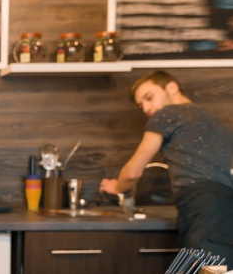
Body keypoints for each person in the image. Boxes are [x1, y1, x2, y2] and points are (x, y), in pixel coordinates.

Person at [99, 70, 233, 264]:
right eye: (141, 105)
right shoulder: (213, 120)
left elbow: (133, 172)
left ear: (171, 87)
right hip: (227, 207)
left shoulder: (167, 114)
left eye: (149, 97)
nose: (145, 108)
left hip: (201, 207)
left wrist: (116, 187)